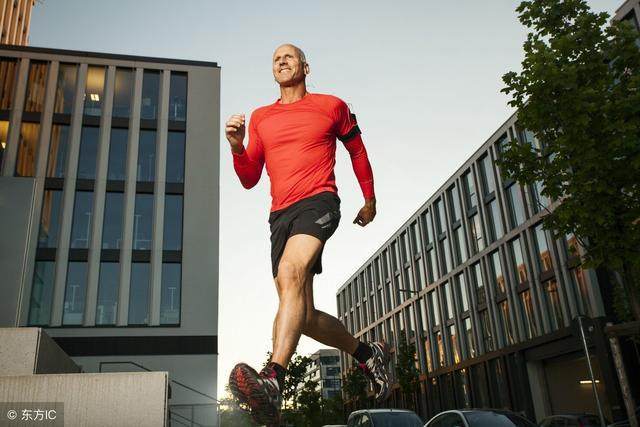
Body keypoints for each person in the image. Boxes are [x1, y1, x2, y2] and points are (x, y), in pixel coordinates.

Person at [225, 43, 390, 426]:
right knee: (306, 315)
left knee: (290, 273)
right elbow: (250, 178)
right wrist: (237, 147)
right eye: (274, 59)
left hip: (319, 201)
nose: (281, 61)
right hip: (280, 215)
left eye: (288, 56)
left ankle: (273, 380)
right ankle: (368, 354)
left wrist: (370, 199)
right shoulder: (262, 117)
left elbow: (358, 151)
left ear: (305, 66)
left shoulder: (331, 106)